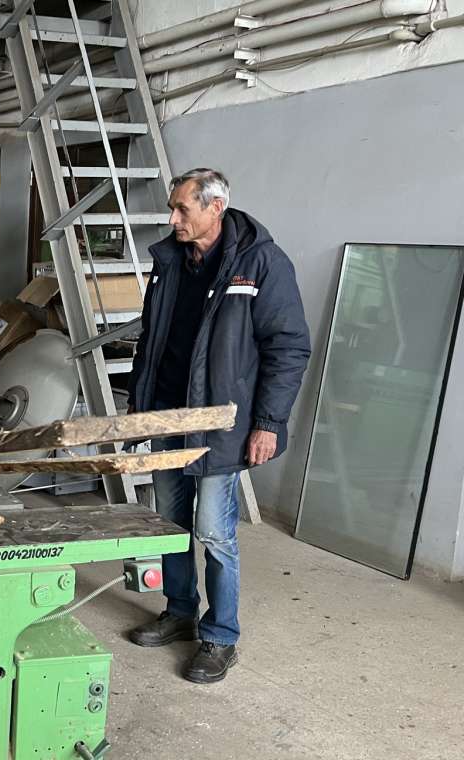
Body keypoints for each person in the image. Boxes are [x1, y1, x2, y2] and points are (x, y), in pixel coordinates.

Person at [126, 168, 311, 683]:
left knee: (213, 530)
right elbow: (151, 340)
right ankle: (179, 611)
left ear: (215, 207)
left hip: (220, 424)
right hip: (168, 413)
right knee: (170, 522)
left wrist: (268, 422)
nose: (172, 218)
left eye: (182, 209)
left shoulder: (261, 263)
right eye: (173, 208)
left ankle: (220, 636)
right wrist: (140, 405)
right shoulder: (170, 261)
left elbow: (288, 347)